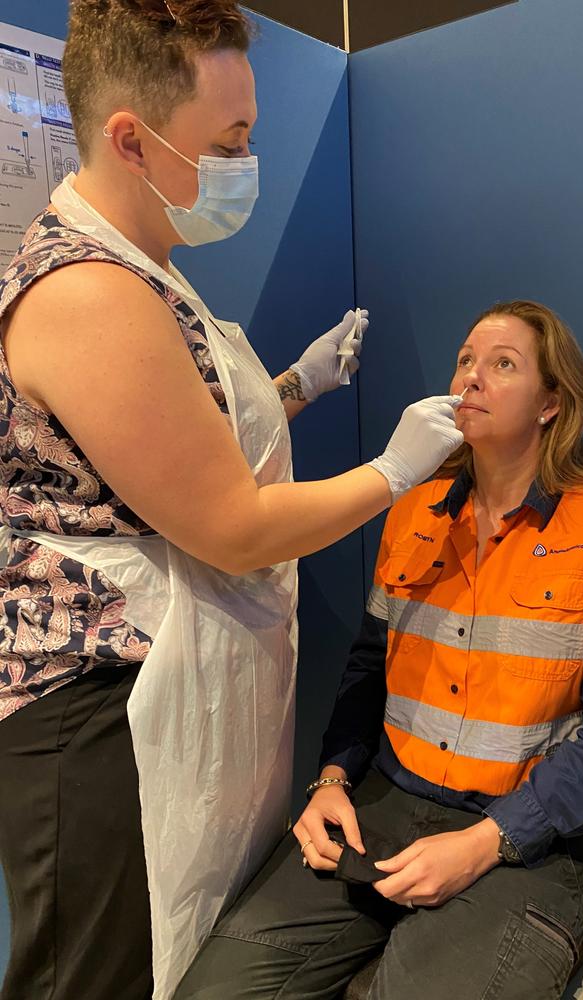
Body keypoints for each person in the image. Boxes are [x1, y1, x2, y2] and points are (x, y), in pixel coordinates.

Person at [0, 2, 464, 999]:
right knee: (101, 972)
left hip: (166, 684)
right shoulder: (86, 293)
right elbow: (230, 522)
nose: (247, 160)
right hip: (101, 718)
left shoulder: (147, 270)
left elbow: (161, 448)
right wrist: (393, 470)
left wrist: (295, 386)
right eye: (232, 141)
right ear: (132, 137)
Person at [173, 299, 583, 1000]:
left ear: (551, 404)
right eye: (465, 361)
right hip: (382, 810)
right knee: (213, 989)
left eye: (503, 364)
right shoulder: (411, 509)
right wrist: (332, 781)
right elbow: (368, 671)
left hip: (523, 841)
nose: (472, 378)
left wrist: (487, 841)